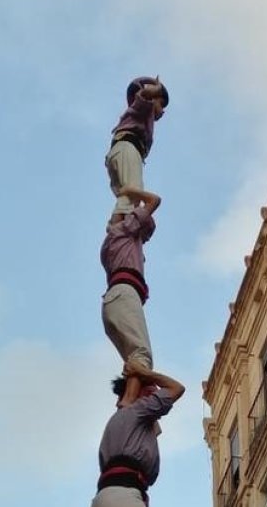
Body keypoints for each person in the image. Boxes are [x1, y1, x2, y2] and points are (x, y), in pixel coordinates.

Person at [93, 359, 185, 507]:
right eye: (151, 392)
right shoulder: (136, 411)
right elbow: (176, 389)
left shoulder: (121, 422)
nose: (156, 395)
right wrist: (143, 372)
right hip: (124, 494)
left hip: (109, 495)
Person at [101, 186, 160, 406]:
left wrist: (127, 202)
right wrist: (129, 190)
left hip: (113, 301)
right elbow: (154, 201)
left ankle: (128, 402)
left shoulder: (115, 241)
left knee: (133, 363)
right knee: (141, 355)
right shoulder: (122, 231)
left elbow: (146, 225)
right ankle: (127, 404)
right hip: (125, 295)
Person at [106, 77, 168, 219]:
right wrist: (155, 89)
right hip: (128, 148)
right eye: (161, 104)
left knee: (127, 199)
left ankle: (118, 228)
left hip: (119, 152)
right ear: (153, 99)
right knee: (132, 193)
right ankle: (119, 230)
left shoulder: (143, 116)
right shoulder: (144, 109)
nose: (163, 111)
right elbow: (142, 98)